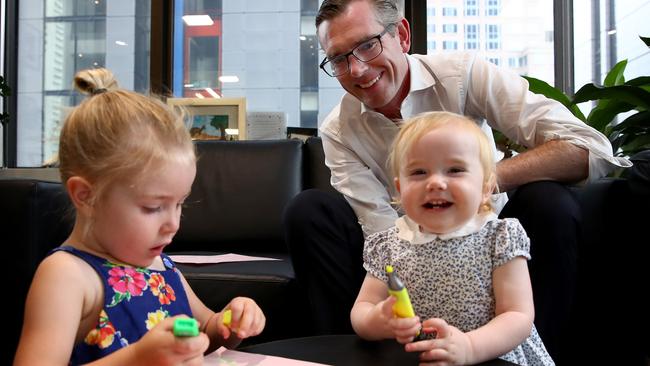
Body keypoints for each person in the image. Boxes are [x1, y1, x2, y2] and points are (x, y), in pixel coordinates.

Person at [282, 0, 630, 362]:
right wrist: (392, 308)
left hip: (492, 235)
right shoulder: (339, 130)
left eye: (368, 45)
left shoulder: (463, 75)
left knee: (549, 200)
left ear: (401, 35)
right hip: (405, 245)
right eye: (338, 59)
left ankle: (536, 356)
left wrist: (482, 183)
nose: (357, 69)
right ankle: (352, 357)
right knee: (308, 209)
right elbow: (380, 230)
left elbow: (591, 148)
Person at [13, 68, 265, 365]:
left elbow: (204, 333)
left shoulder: (160, 267)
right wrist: (138, 358)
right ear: (86, 196)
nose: (173, 224)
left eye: (179, 204)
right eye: (153, 207)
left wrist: (230, 322)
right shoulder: (67, 275)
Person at [351, 111, 554, 365]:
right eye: (419, 172)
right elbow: (363, 308)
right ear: (401, 190)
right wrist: (377, 320)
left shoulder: (499, 238)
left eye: (455, 170)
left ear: (485, 189)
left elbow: (517, 315)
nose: (435, 182)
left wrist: (470, 347)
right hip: (422, 358)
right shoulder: (388, 246)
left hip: (493, 357)